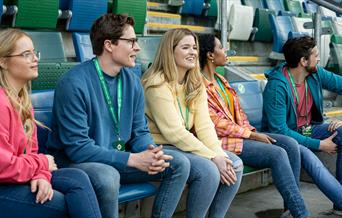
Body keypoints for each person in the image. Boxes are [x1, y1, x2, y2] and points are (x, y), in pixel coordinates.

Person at [46, 14, 190, 218]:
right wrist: (132, 159)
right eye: (131, 41)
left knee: (178, 164)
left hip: (117, 158)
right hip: (76, 164)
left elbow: (139, 131)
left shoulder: (132, 82)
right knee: (108, 176)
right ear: (109, 45)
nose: (137, 48)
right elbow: (78, 149)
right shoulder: (73, 83)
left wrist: (151, 152)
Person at [198, 34, 310, 218]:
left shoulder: (221, 80)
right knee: (278, 153)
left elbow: (240, 114)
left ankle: (290, 209)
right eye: (221, 47)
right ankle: (300, 213)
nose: (226, 51)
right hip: (224, 142)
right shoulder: (199, 85)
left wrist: (251, 132)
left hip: (242, 136)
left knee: (289, 144)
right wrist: (253, 136)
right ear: (210, 55)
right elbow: (216, 124)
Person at [0, 28, 102, 218]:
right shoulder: (1, 103)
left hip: (16, 177)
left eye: (34, 52)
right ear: (3, 62)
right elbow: (3, 166)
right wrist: (41, 164)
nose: (35, 59)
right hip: (3, 186)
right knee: (64, 204)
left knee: (77, 178)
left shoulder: (22, 101)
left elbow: (33, 153)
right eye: (26, 54)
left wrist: (41, 176)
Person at [141, 28, 242, 218]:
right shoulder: (156, 83)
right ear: (170, 51)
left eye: (194, 48)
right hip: (160, 145)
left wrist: (219, 154)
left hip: (182, 145)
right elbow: (175, 133)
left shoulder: (194, 82)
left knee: (234, 164)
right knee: (208, 171)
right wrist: (212, 158)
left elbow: (204, 126)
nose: (193, 52)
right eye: (185, 47)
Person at [263, 35, 342, 215]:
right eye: (315, 55)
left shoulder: (315, 74)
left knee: (341, 131)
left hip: (306, 129)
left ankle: (339, 205)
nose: (319, 58)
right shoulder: (277, 87)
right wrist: (320, 144)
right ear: (303, 61)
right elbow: (279, 130)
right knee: (313, 162)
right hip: (285, 137)